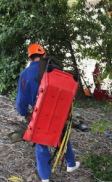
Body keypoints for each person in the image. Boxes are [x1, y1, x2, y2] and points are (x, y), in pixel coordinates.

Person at [16, 43, 80, 182]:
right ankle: (71, 164)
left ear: (30, 58)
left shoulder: (24, 74)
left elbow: (21, 102)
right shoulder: (55, 70)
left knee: (40, 143)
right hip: (59, 111)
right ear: (44, 55)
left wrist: (25, 114)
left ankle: (45, 177)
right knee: (63, 136)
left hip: (39, 113)